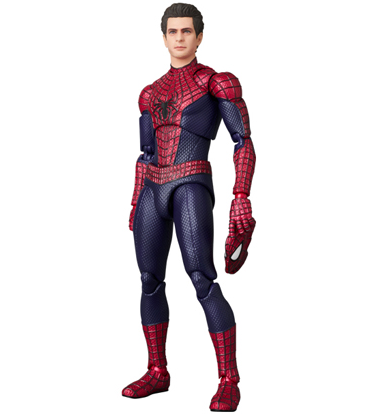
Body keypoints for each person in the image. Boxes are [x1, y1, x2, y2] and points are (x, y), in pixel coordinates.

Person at [122, 3, 257, 412]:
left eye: (186, 31)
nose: (179, 38)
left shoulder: (216, 82)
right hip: (153, 187)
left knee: (202, 279)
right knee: (149, 280)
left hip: (191, 182)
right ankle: (157, 371)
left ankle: (229, 380)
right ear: (163, 37)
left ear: (199, 36)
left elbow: (243, 142)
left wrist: (241, 197)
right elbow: (146, 153)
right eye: (173, 31)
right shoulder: (149, 93)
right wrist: (135, 199)